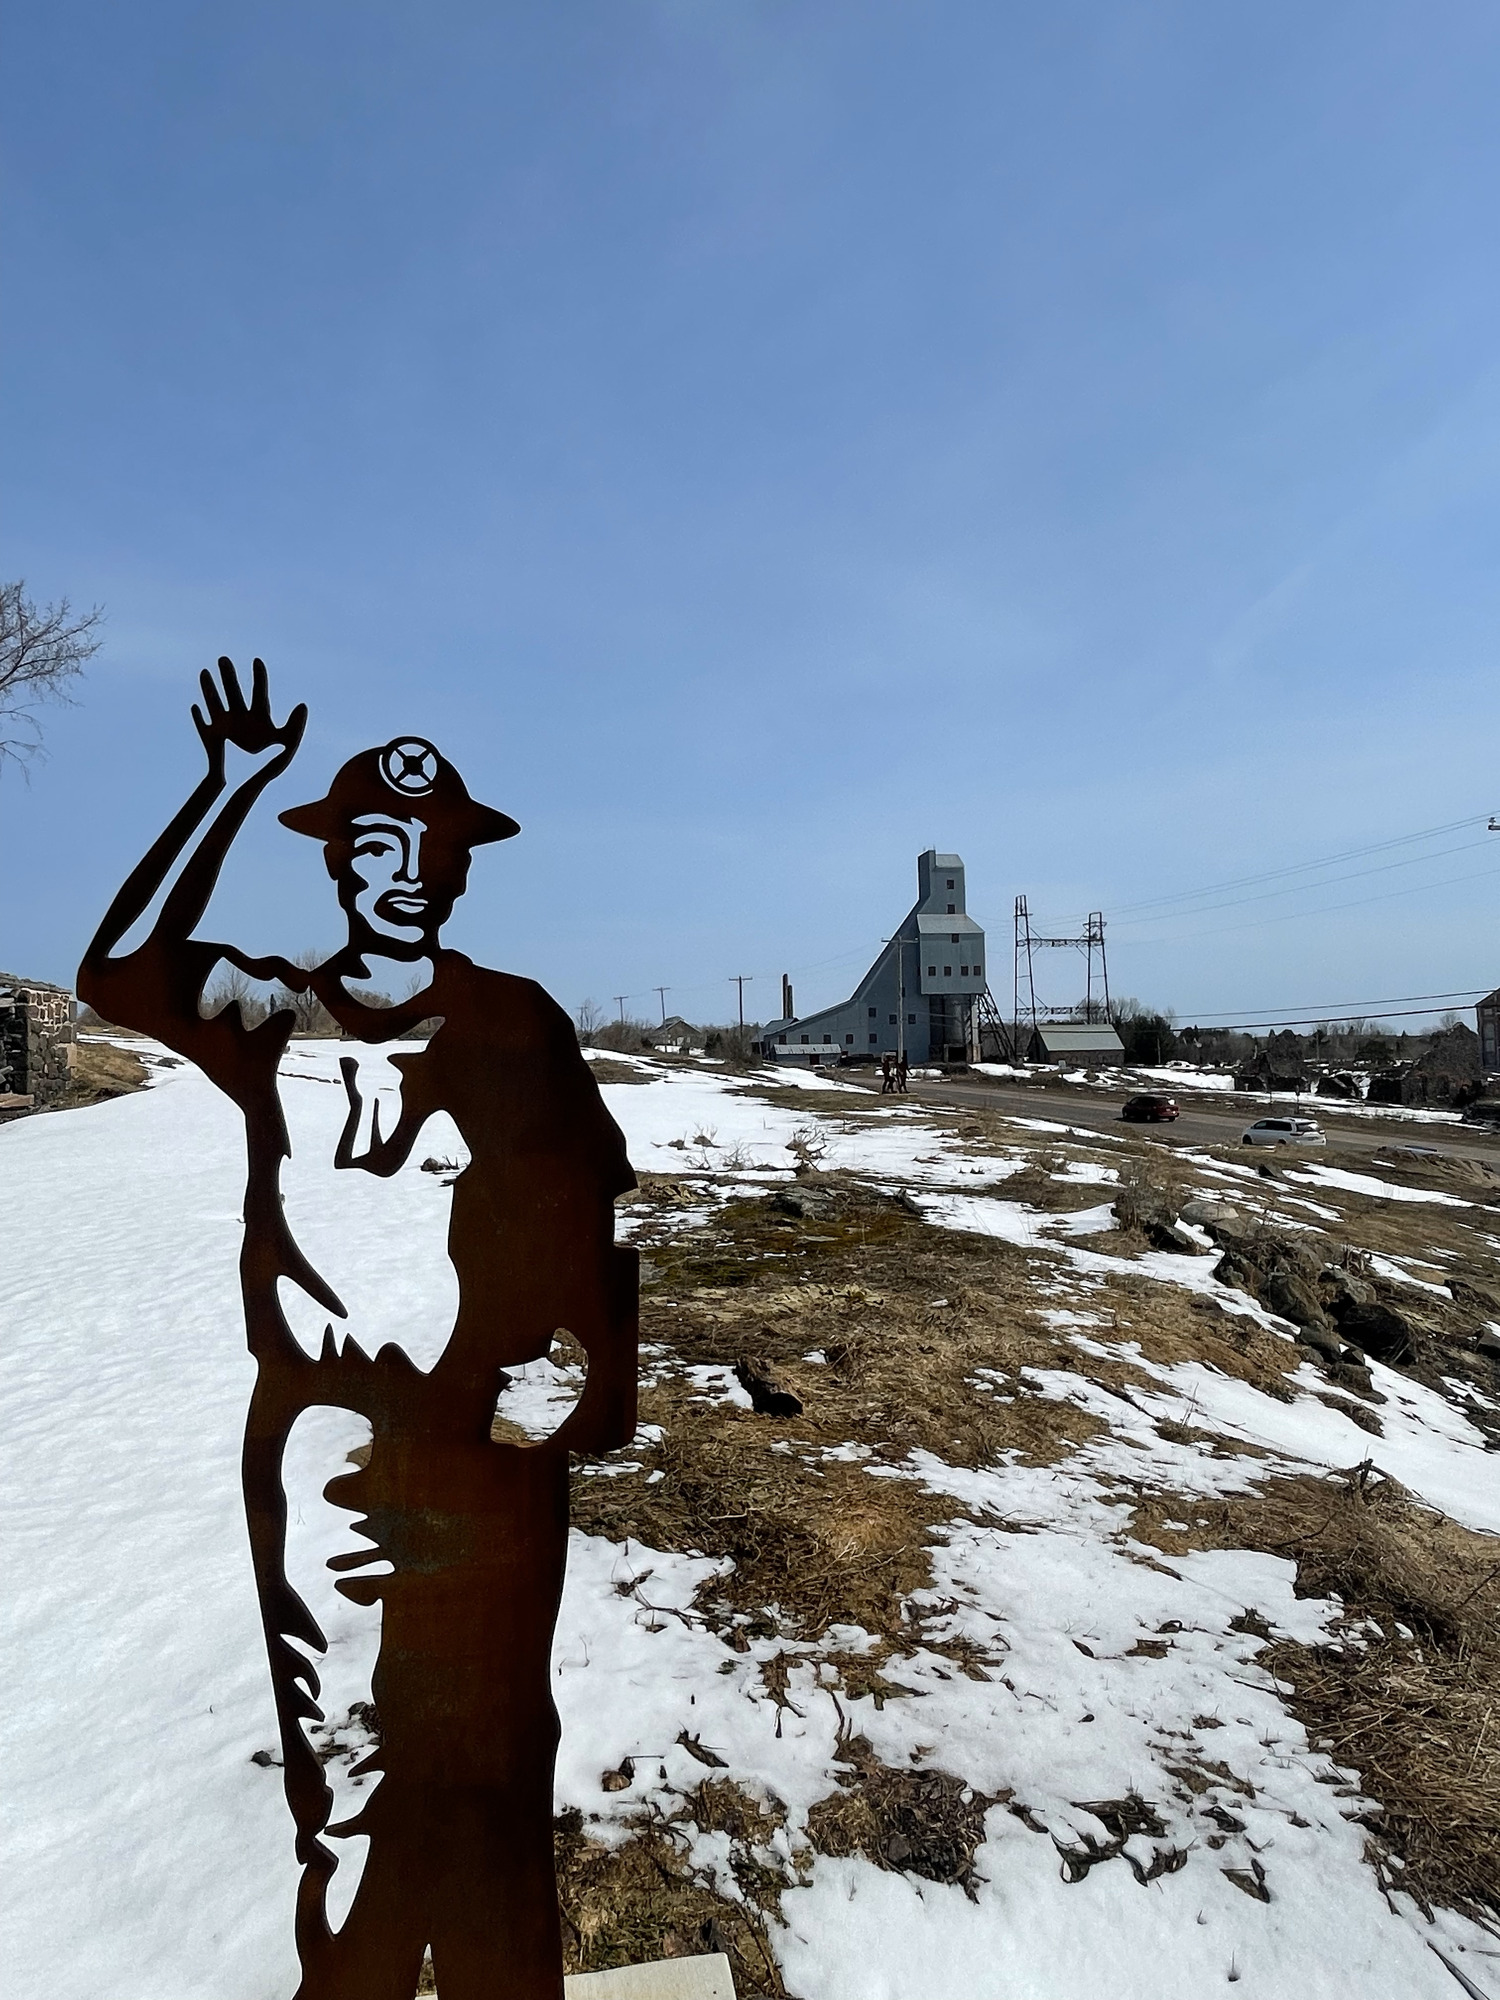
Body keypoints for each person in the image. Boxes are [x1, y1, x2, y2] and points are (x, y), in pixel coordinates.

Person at [79, 659, 637, 2000]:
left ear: (461, 871)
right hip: (328, 1435)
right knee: (341, 1767)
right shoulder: (274, 1011)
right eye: (378, 843)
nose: (407, 871)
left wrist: (586, 1386)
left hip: (490, 1445)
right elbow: (117, 972)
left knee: (498, 1760)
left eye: (433, 848)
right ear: (338, 862)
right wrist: (227, 789)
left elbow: (594, 1215)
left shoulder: (519, 1022)